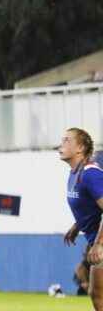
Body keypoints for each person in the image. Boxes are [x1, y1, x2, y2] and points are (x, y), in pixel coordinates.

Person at [62, 127, 103, 310]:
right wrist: (77, 226)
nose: (61, 144)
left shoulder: (90, 174)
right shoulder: (75, 174)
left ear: (80, 148)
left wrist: (99, 243)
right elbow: (91, 206)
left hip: (100, 240)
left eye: (67, 140)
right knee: (97, 296)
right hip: (94, 238)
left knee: (98, 297)